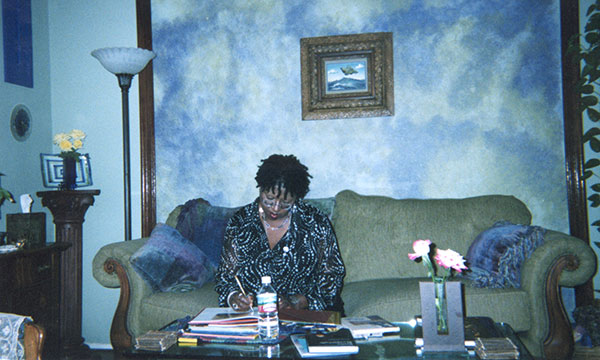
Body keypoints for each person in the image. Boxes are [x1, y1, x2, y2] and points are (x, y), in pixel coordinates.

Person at [215, 154, 345, 313]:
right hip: (255, 315)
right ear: (261, 189)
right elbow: (226, 276)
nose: (276, 208)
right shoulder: (240, 222)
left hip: (308, 313)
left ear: (297, 197)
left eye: (285, 203)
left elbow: (333, 275)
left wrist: (297, 302)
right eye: (269, 199)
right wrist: (234, 297)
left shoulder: (315, 222)